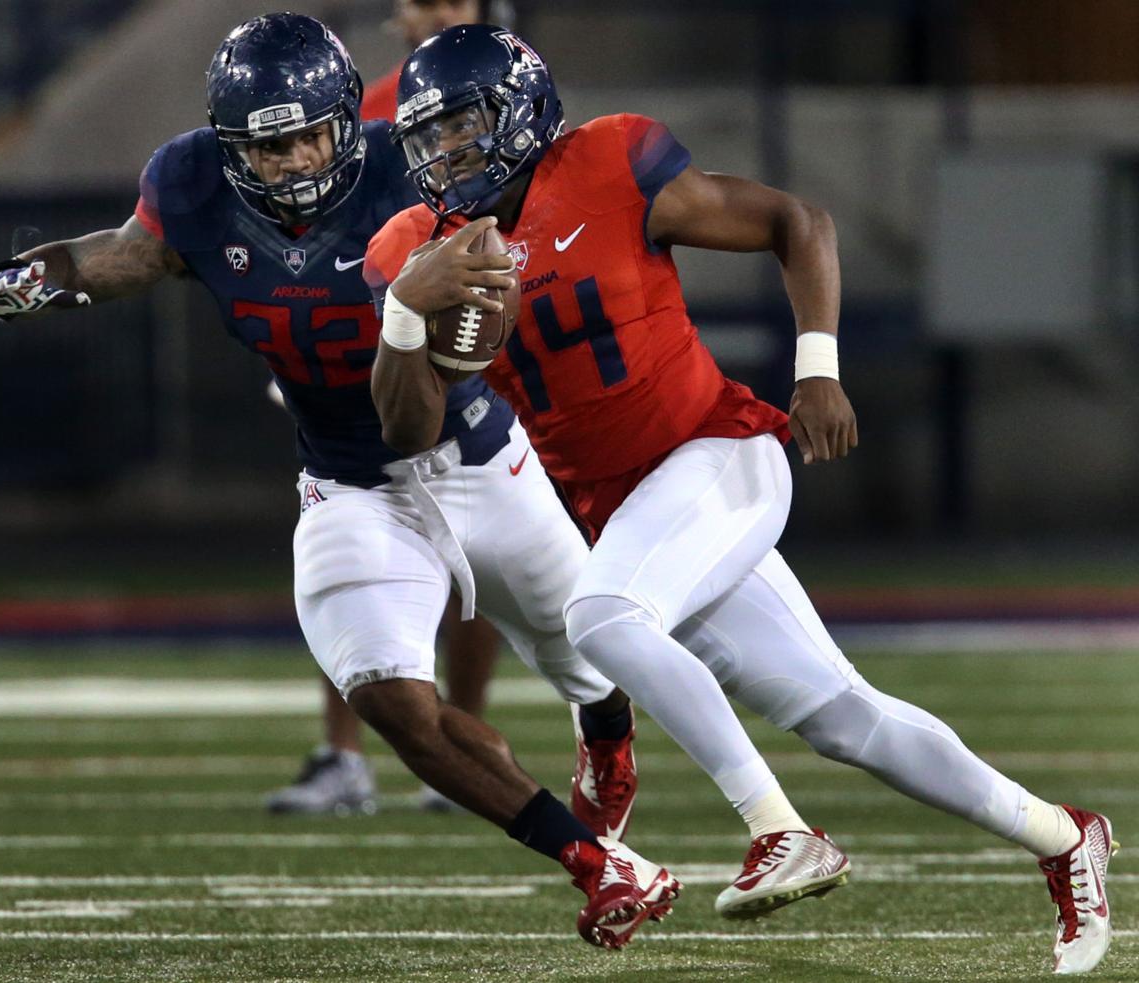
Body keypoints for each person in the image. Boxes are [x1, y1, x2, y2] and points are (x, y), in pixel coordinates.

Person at [364, 24, 1119, 975]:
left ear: (520, 113)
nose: (448, 154)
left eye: (466, 126)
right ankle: (1064, 836)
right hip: (633, 510)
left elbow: (798, 222)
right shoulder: (414, 247)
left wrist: (818, 368)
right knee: (846, 717)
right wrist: (405, 314)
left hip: (718, 452)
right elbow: (403, 426)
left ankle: (777, 827)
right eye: (429, 136)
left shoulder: (610, 163)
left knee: (601, 615)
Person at [0, 13, 672, 950]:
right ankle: (596, 862)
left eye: (312, 134)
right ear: (229, 148)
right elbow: (135, 252)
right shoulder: (193, 185)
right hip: (350, 482)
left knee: (588, 654)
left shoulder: (405, 167)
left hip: (479, 459)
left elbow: (509, 260)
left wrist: (474, 319)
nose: (296, 159)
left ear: (348, 119)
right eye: (270, 143)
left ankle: (607, 735)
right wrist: (49, 270)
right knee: (388, 695)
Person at [268, 0, 516, 818]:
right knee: (348, 539)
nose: (436, 12)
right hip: (364, 344)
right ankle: (344, 753)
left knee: (477, 555)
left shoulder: (511, 89)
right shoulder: (361, 105)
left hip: (476, 337)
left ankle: (461, 739)